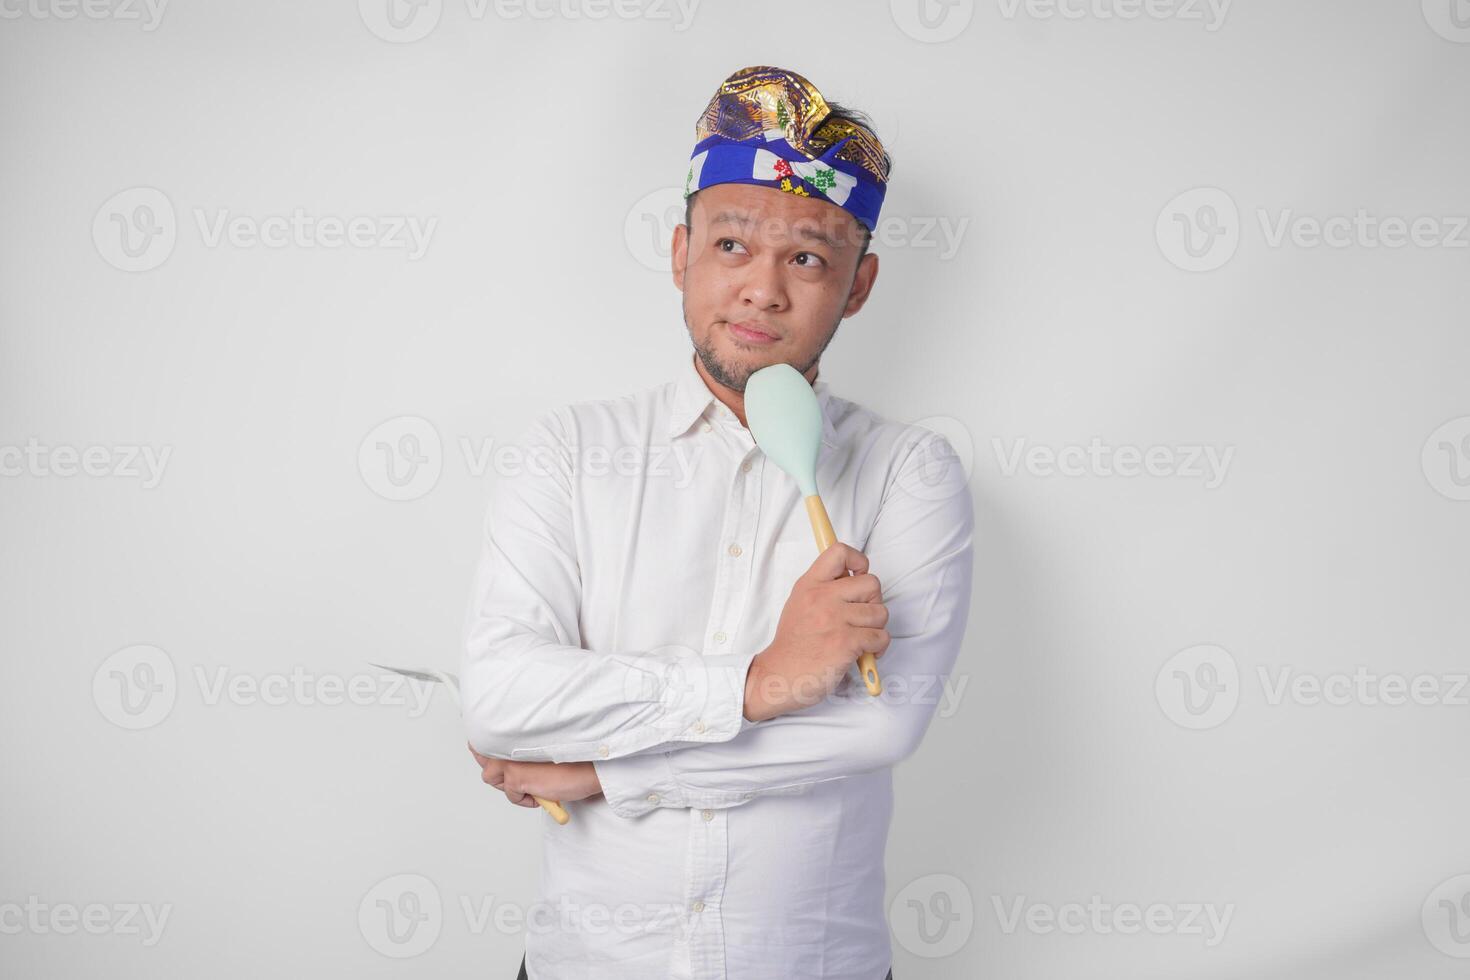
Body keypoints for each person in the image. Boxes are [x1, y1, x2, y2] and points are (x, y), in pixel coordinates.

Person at [461, 64, 974, 980]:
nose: (764, 291)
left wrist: (610, 772)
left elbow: (880, 729)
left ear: (858, 285)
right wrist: (760, 681)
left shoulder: (909, 473)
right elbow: (501, 695)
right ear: (679, 255)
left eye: (809, 257)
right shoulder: (568, 452)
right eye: (732, 246)